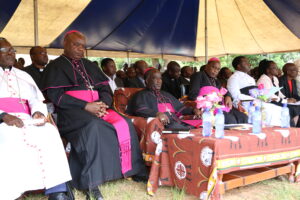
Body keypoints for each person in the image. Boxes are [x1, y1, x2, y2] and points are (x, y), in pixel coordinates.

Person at [41, 31, 146, 200]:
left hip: (98, 108)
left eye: (83, 46)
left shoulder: (90, 65)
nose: (80, 49)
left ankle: (134, 170)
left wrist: (102, 104)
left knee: (125, 123)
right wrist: (85, 106)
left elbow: (105, 89)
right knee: (94, 126)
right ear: (65, 44)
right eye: (76, 45)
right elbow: (57, 96)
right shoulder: (55, 66)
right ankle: (90, 183)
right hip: (71, 113)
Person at [0, 37, 72, 200]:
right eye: (6, 50)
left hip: (27, 118)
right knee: (9, 136)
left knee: (50, 132)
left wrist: (37, 112)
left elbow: (35, 99)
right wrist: (3, 115)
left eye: (13, 50)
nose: (11, 53)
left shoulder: (23, 75)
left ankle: (57, 190)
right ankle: (13, 192)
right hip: (3, 121)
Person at [126, 68, 201, 129]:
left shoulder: (166, 94)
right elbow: (140, 109)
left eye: (160, 78)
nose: (159, 81)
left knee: (201, 124)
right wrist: (157, 114)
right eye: (155, 78)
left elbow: (180, 107)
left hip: (178, 123)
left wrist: (193, 110)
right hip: (164, 126)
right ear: (147, 81)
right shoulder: (141, 95)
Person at [188, 59, 248, 124]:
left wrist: (228, 96)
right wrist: (207, 100)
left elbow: (224, 91)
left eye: (218, 69)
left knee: (243, 117)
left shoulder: (216, 81)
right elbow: (193, 94)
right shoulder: (198, 75)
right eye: (213, 67)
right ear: (206, 66)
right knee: (229, 119)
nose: (215, 71)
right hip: (207, 107)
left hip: (219, 105)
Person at [227, 56, 282, 126]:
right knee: (269, 110)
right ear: (238, 66)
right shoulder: (233, 78)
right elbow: (235, 95)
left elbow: (257, 92)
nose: (249, 64)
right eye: (246, 62)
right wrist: (253, 99)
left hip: (257, 101)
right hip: (246, 104)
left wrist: (266, 98)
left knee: (278, 109)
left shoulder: (250, 78)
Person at [257, 59, 300, 126]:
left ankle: (294, 126)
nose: (277, 69)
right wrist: (286, 101)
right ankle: (291, 126)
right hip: (268, 101)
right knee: (291, 108)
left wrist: (287, 99)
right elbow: (270, 95)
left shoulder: (275, 78)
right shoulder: (263, 79)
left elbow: (279, 92)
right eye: (274, 68)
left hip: (276, 100)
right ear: (268, 70)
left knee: (296, 106)